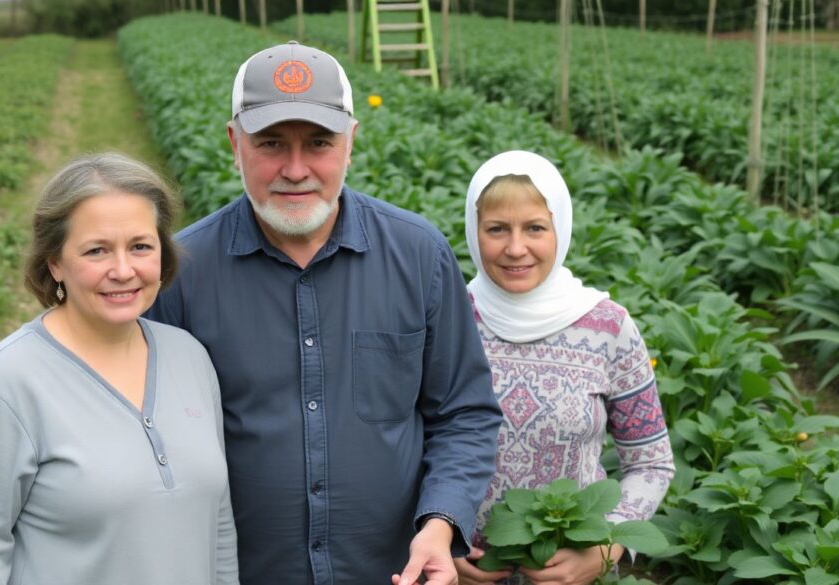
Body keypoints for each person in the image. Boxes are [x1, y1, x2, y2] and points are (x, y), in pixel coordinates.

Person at [144, 41, 502, 585]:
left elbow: (464, 412)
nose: (295, 169)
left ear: (351, 143)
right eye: (269, 143)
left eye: (318, 143)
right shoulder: (182, 275)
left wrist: (440, 524)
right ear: (234, 144)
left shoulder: (418, 255)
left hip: (391, 572)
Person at [0, 153, 238, 585]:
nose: (123, 270)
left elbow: (218, 524)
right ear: (54, 262)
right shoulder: (4, 387)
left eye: (140, 246)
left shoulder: (189, 356)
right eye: (96, 250)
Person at [454, 151, 676, 585]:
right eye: (496, 228)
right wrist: (436, 536)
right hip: (461, 571)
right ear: (473, 231)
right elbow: (404, 447)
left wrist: (606, 548)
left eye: (535, 228)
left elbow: (651, 462)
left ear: (561, 229)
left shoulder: (608, 326)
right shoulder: (448, 318)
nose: (515, 248)